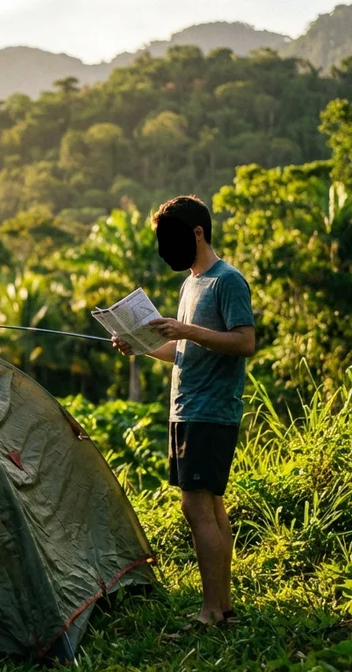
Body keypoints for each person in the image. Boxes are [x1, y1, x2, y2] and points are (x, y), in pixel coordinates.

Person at [111, 195, 255, 630]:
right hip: (185, 408)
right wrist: (140, 344)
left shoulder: (227, 281)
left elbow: (244, 341)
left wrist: (184, 328)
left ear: (198, 233)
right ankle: (222, 606)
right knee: (209, 506)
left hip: (212, 410)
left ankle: (213, 610)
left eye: (172, 239)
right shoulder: (190, 283)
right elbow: (184, 348)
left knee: (196, 509)